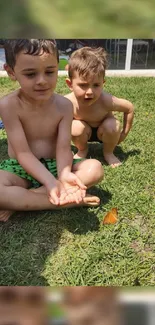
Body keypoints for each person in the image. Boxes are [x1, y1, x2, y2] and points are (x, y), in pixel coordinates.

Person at [0, 39, 104, 222]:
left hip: (58, 164)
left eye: (50, 72)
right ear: (11, 72)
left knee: (94, 169)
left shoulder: (64, 105)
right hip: (21, 167)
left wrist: (64, 175)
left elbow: (64, 147)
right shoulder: (8, 106)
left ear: (58, 67)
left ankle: (26, 199)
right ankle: (65, 201)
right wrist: (49, 181)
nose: (42, 81)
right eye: (31, 74)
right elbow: (22, 153)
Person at [65, 47, 134, 167]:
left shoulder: (106, 101)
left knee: (112, 125)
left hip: (104, 130)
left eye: (96, 85)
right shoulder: (67, 102)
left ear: (103, 83)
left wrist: (123, 134)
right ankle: (82, 150)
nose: (90, 91)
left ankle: (108, 153)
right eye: (83, 85)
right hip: (82, 132)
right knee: (75, 127)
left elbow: (129, 108)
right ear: (70, 85)